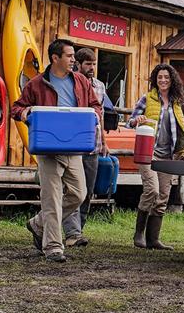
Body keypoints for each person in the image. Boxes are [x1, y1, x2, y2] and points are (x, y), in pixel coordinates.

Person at [11, 38, 102, 263]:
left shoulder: (80, 81)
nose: (73, 60)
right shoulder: (36, 84)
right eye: (70, 56)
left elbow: (95, 105)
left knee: (78, 193)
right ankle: (53, 247)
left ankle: (38, 223)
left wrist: (95, 117)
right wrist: (27, 113)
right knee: (51, 197)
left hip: (73, 145)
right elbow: (17, 108)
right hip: (48, 147)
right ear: (55, 58)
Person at [127, 63, 184, 250]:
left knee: (163, 196)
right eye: (159, 78)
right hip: (148, 153)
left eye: (166, 77)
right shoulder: (147, 99)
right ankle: (138, 234)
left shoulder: (177, 102)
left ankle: (153, 239)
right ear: (155, 81)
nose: (163, 80)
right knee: (152, 190)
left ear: (172, 80)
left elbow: (181, 128)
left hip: (168, 155)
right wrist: (136, 120)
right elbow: (129, 122)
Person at [61, 47, 110, 248]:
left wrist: (105, 142)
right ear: (79, 64)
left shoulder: (99, 86)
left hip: (94, 145)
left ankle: (78, 230)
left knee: (88, 190)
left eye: (94, 64)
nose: (92, 68)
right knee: (72, 189)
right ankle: (72, 232)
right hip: (73, 146)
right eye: (88, 64)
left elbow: (101, 115)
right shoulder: (70, 83)